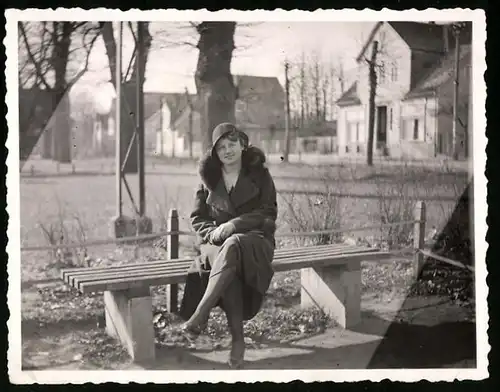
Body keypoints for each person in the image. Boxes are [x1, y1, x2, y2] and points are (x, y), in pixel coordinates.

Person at [179, 122, 278, 369]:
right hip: (216, 243)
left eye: (232, 144)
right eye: (221, 147)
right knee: (228, 260)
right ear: (215, 154)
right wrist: (212, 233)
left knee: (233, 244)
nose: (227, 150)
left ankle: (200, 316)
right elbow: (197, 217)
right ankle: (238, 341)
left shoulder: (260, 175)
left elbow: (268, 212)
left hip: (255, 240)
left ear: (243, 145)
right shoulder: (208, 180)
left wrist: (234, 225)